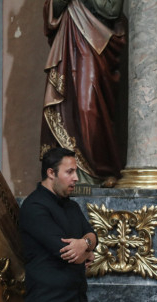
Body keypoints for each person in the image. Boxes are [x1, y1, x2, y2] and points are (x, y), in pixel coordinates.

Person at [20, 147, 97, 302]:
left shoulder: (71, 207)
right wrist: (85, 249)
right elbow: (66, 252)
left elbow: (92, 235)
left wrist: (85, 244)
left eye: (76, 172)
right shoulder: (34, 206)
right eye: (70, 172)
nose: (76, 178)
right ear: (51, 173)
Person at [41, 0, 126, 184]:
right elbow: (51, 9)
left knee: (88, 108)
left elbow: (113, 10)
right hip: (67, 41)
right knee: (67, 107)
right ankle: (73, 173)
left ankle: (98, 172)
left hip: (95, 42)